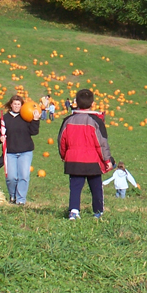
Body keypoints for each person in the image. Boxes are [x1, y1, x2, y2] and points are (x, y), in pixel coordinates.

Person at [57, 89, 113, 219]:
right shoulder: (96, 121)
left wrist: (64, 155)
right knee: (96, 187)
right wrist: (107, 160)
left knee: (75, 187)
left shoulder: (68, 120)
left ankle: (74, 211)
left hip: (74, 160)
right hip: (92, 161)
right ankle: (98, 211)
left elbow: (61, 140)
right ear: (92, 104)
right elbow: (102, 143)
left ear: (75, 103)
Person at [0, 95, 40, 205]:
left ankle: (21, 200)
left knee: (24, 176)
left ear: (22, 105)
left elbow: (34, 132)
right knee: (11, 177)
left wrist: (35, 120)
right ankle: (12, 196)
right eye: (14, 104)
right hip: (10, 152)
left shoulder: (25, 117)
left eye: (19, 104)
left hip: (25, 151)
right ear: (11, 105)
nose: (16, 106)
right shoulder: (5, 119)